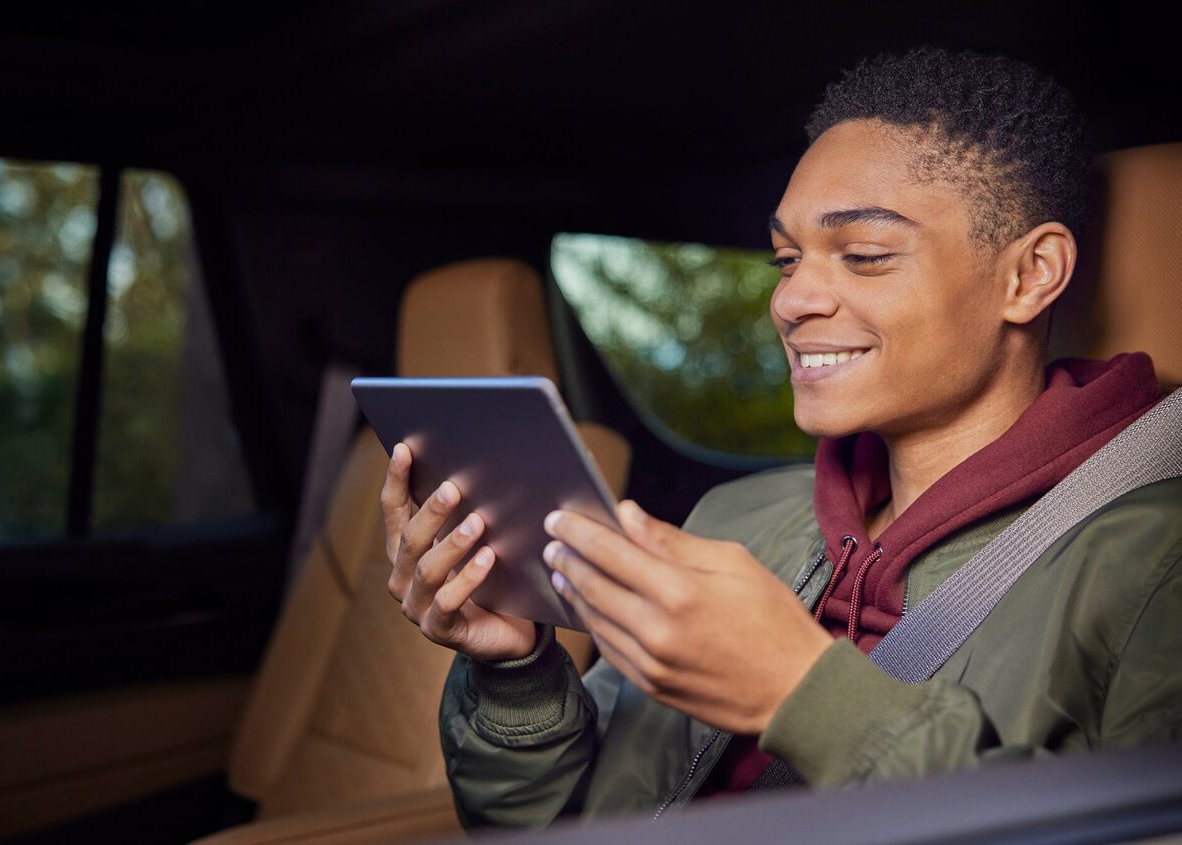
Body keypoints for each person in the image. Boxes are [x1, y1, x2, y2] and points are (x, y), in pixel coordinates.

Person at [378, 45, 1182, 828]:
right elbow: (566, 823)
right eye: (785, 258)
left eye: (863, 255)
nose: (791, 300)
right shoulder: (732, 519)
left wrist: (805, 692)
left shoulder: (1154, 559)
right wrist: (516, 673)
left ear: (1030, 274)